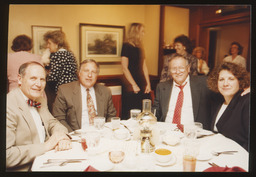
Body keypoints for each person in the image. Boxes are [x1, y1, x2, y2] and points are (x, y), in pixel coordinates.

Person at [6, 61, 72, 171]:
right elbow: (6, 156)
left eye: (42, 79)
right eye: (33, 78)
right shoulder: (8, 105)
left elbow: (53, 123)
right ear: (19, 79)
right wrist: (47, 145)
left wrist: (61, 137)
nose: (39, 84)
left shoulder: (40, 100)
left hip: (48, 161)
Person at [52, 59, 116, 132]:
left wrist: (105, 132)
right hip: (76, 136)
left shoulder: (105, 91)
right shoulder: (65, 91)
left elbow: (111, 116)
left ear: (97, 75)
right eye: (86, 71)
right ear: (79, 73)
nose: (89, 75)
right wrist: (74, 135)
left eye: (93, 72)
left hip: (100, 135)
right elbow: (59, 118)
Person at [153, 53, 212, 130]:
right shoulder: (162, 87)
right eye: (174, 68)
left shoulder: (203, 83)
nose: (177, 72)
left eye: (181, 68)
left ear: (188, 68)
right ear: (170, 71)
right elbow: (155, 112)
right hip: (167, 133)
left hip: (193, 133)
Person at [207, 62, 250, 151]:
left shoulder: (247, 102)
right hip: (216, 152)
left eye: (231, 79)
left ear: (240, 81)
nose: (225, 84)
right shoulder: (217, 102)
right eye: (221, 79)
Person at [121, 23, 151, 119]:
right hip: (130, 84)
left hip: (141, 82)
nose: (144, 34)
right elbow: (124, 68)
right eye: (142, 31)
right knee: (131, 112)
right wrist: (133, 84)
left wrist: (148, 84)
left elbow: (144, 67)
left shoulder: (140, 48)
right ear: (135, 32)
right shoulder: (126, 46)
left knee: (144, 113)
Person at [43, 30, 78, 112]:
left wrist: (45, 76)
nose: (47, 46)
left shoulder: (58, 54)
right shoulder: (69, 53)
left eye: (49, 43)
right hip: (73, 86)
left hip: (62, 88)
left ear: (57, 43)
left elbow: (53, 77)